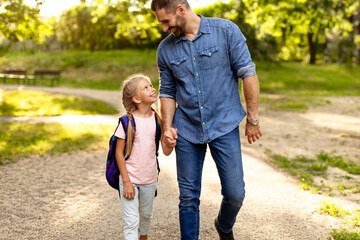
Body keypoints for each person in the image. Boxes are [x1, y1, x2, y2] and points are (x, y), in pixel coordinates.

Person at [150, 0, 262, 239]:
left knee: (235, 193)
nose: (163, 28)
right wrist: (167, 128)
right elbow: (167, 91)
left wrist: (252, 119)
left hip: (224, 123)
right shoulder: (165, 49)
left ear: (181, 9)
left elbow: (248, 73)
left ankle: (223, 226)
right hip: (187, 129)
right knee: (188, 197)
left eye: (165, 21)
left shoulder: (226, 31)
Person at [115, 74, 173, 240]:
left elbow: (166, 151)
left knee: (146, 216)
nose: (152, 89)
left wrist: (170, 143)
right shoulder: (127, 122)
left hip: (150, 179)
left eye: (151, 85)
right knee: (131, 221)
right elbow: (118, 152)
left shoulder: (157, 119)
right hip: (129, 179)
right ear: (136, 99)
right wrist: (126, 181)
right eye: (145, 88)